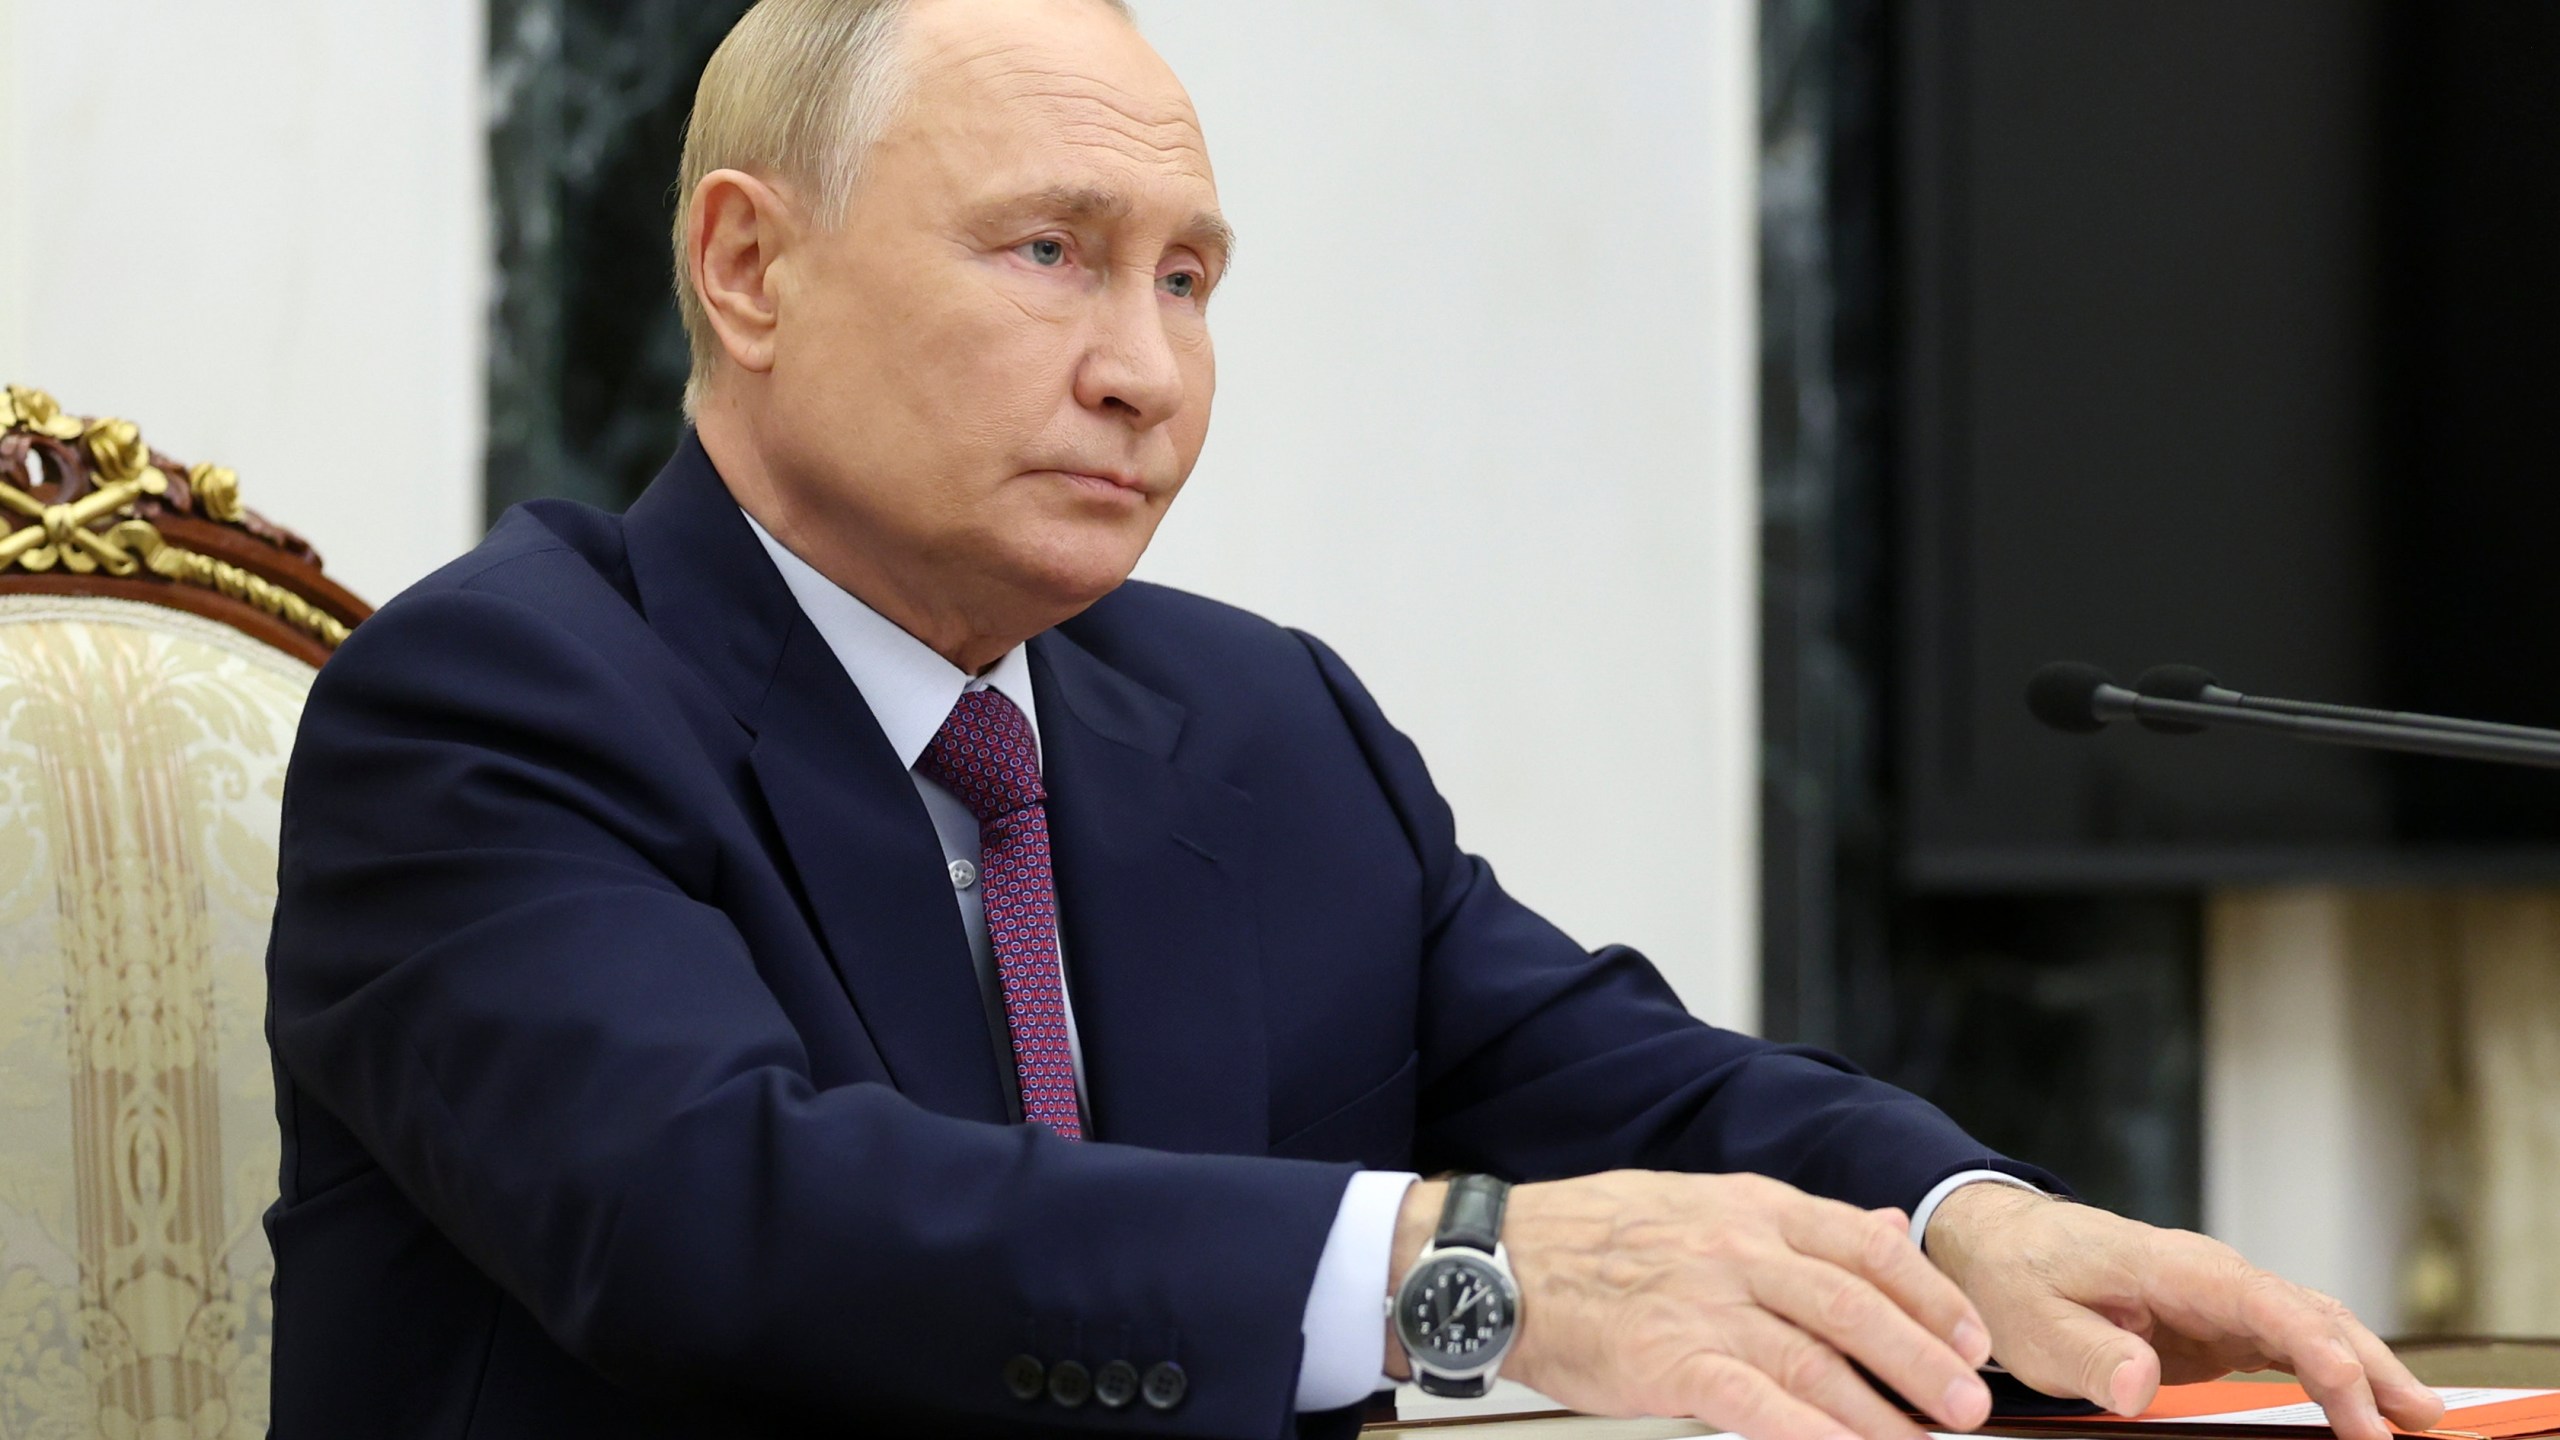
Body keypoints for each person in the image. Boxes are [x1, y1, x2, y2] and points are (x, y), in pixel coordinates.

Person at [261, 1, 2448, 1437]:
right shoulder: (496, 703)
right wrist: (1459, 1275)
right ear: (746, 269)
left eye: (1189, 279)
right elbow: (726, 1225)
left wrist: (1958, 1220)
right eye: (1050, 250)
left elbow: (1605, 1076)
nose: (1145, 365)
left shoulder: (1247, 723)